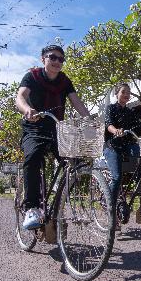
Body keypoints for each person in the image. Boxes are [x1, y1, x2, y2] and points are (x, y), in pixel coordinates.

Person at [15, 44, 90, 229]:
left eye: (61, 59)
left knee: (74, 163)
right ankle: (32, 207)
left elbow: (76, 102)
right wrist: (27, 110)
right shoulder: (32, 76)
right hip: (33, 127)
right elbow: (20, 98)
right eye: (53, 57)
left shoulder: (64, 80)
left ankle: (58, 203)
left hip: (57, 129)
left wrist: (89, 121)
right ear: (43, 59)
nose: (57, 61)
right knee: (33, 158)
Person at [104, 83, 141, 228]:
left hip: (127, 146)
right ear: (117, 94)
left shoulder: (130, 111)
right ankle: (111, 210)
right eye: (123, 92)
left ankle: (139, 193)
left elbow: (139, 127)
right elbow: (108, 124)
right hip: (112, 147)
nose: (126, 95)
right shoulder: (111, 108)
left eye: (128, 93)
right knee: (116, 177)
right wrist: (115, 131)